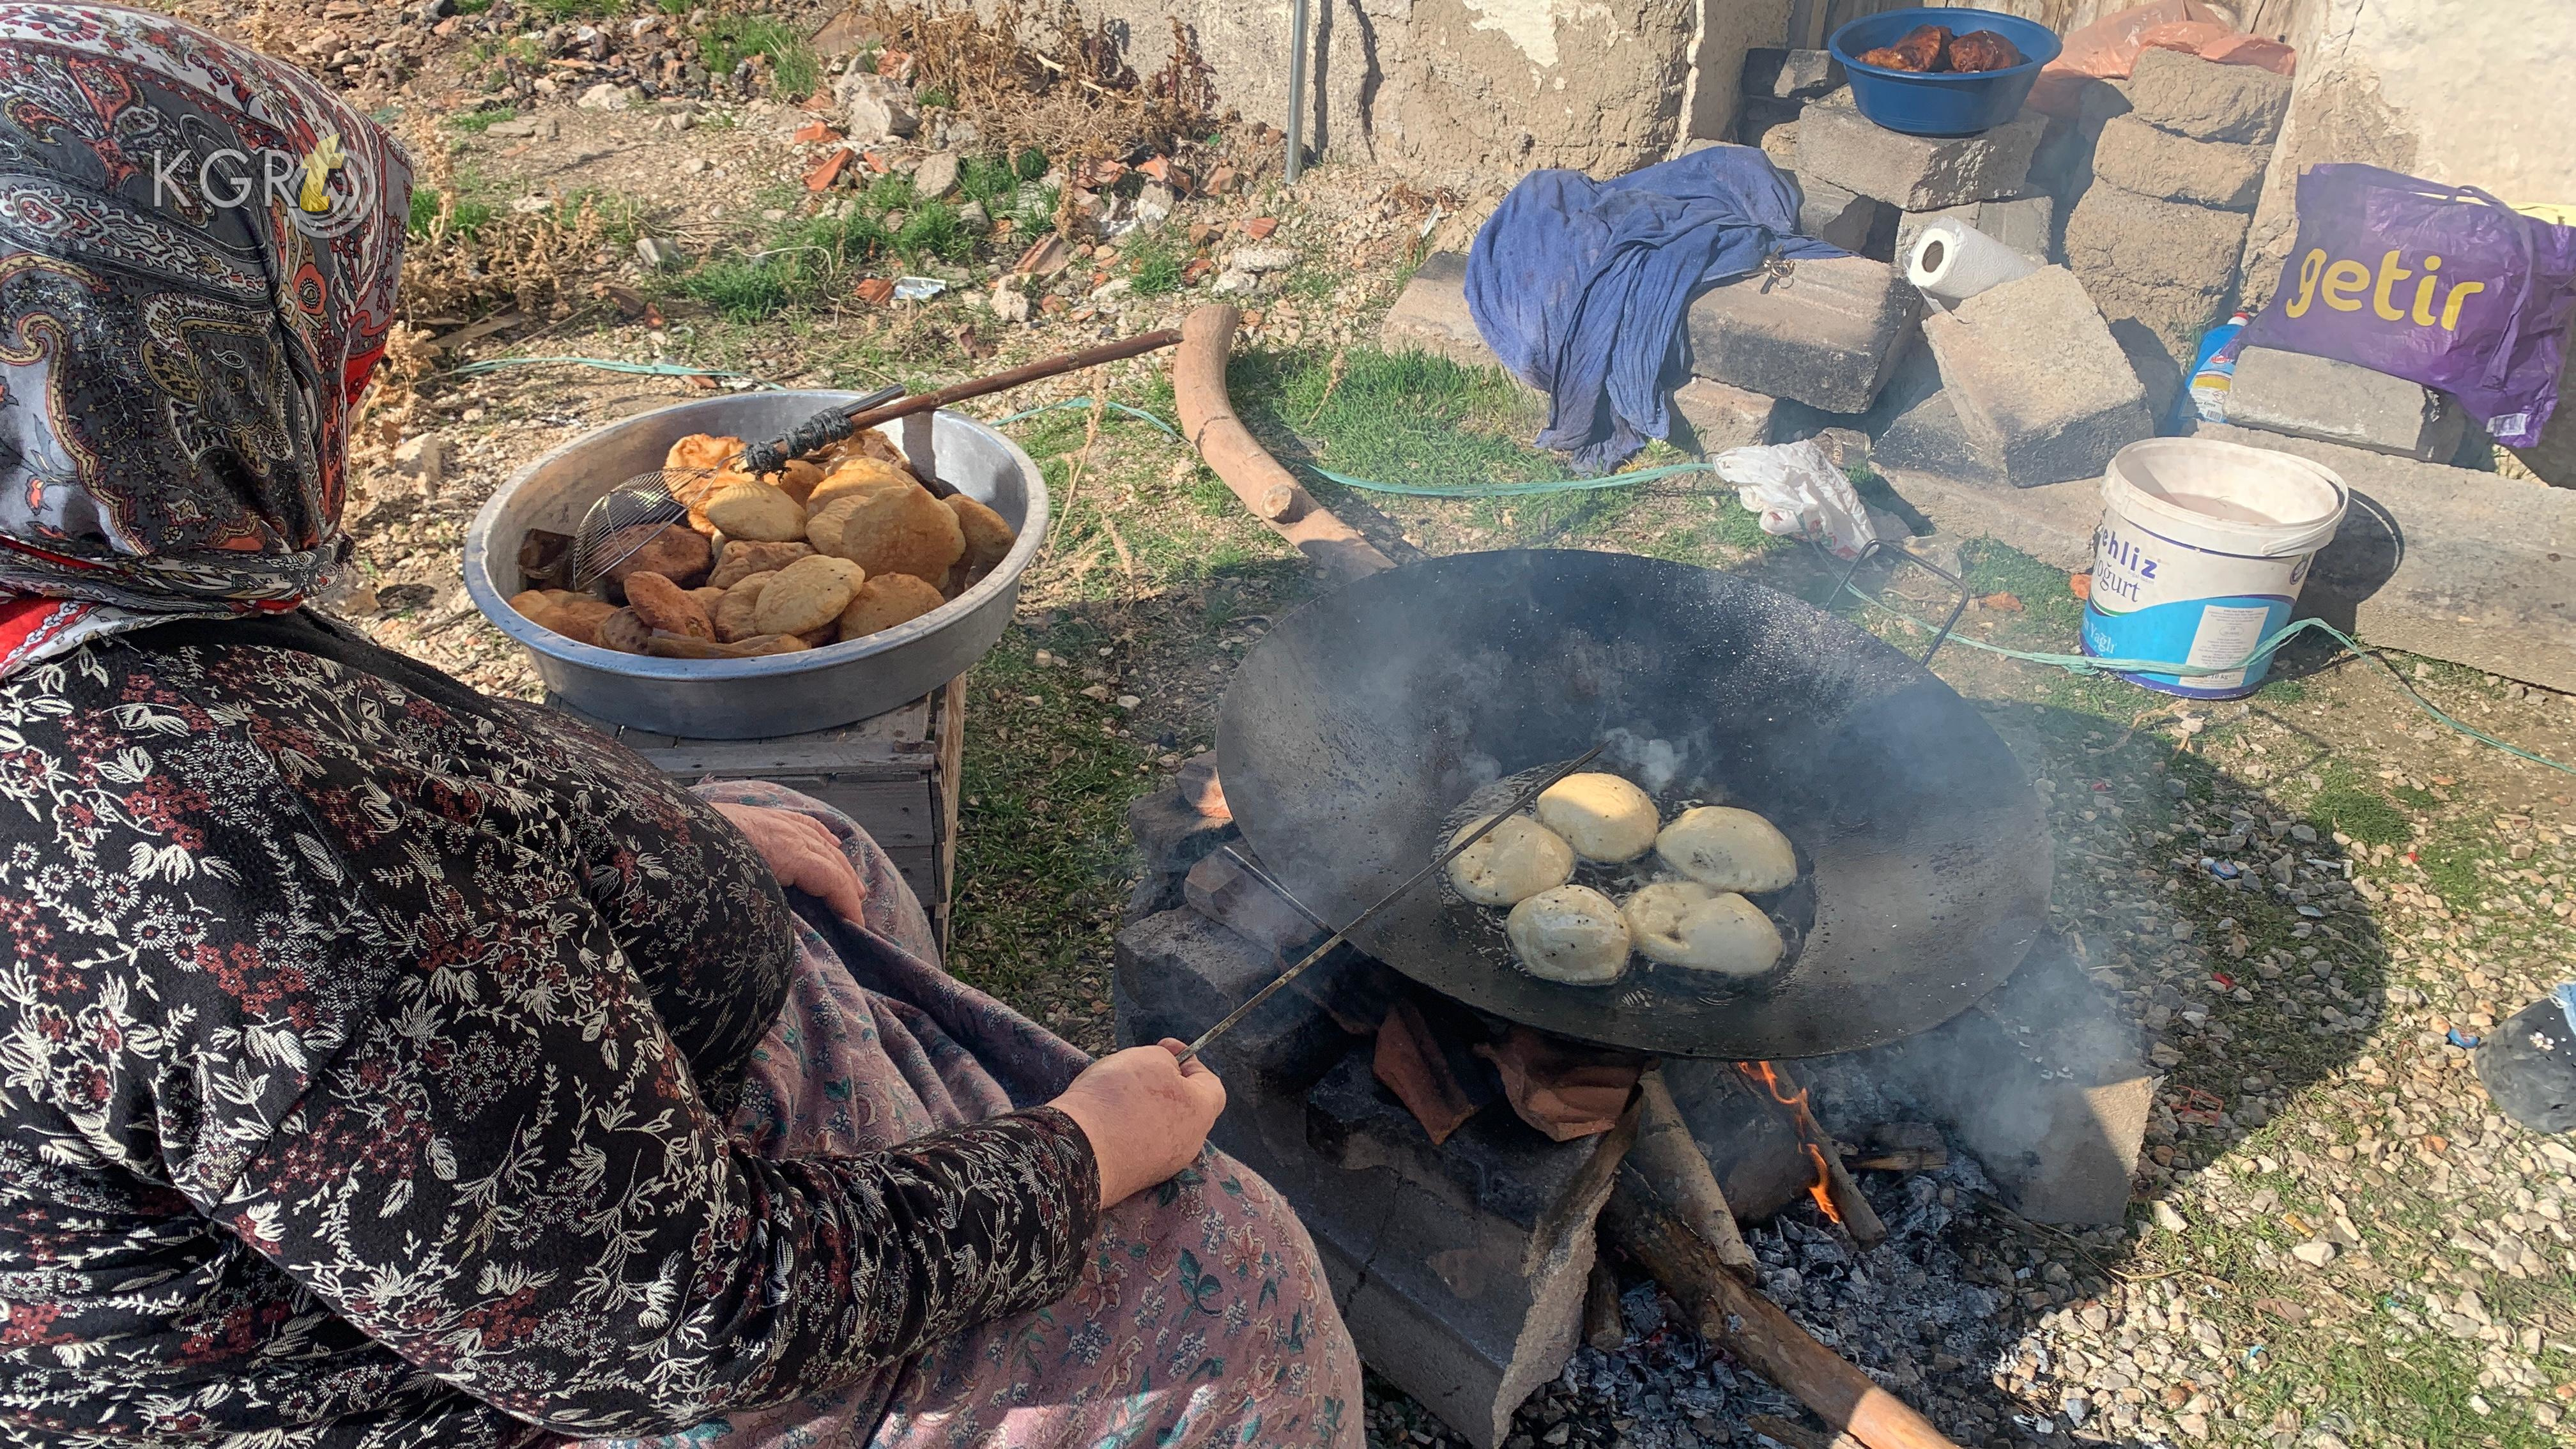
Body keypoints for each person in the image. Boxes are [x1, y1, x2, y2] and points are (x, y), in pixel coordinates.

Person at [0, 6, 1359, 1446]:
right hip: (578, 1355)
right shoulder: (191, 835)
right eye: (332, 345)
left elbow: (374, 818)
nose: (364, 381)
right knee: (1238, 1282)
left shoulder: (84, 594)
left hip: (546, 1179)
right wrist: (1083, 1156)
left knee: (828, 841)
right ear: (136, 377)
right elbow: (692, 1316)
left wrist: (661, 844)